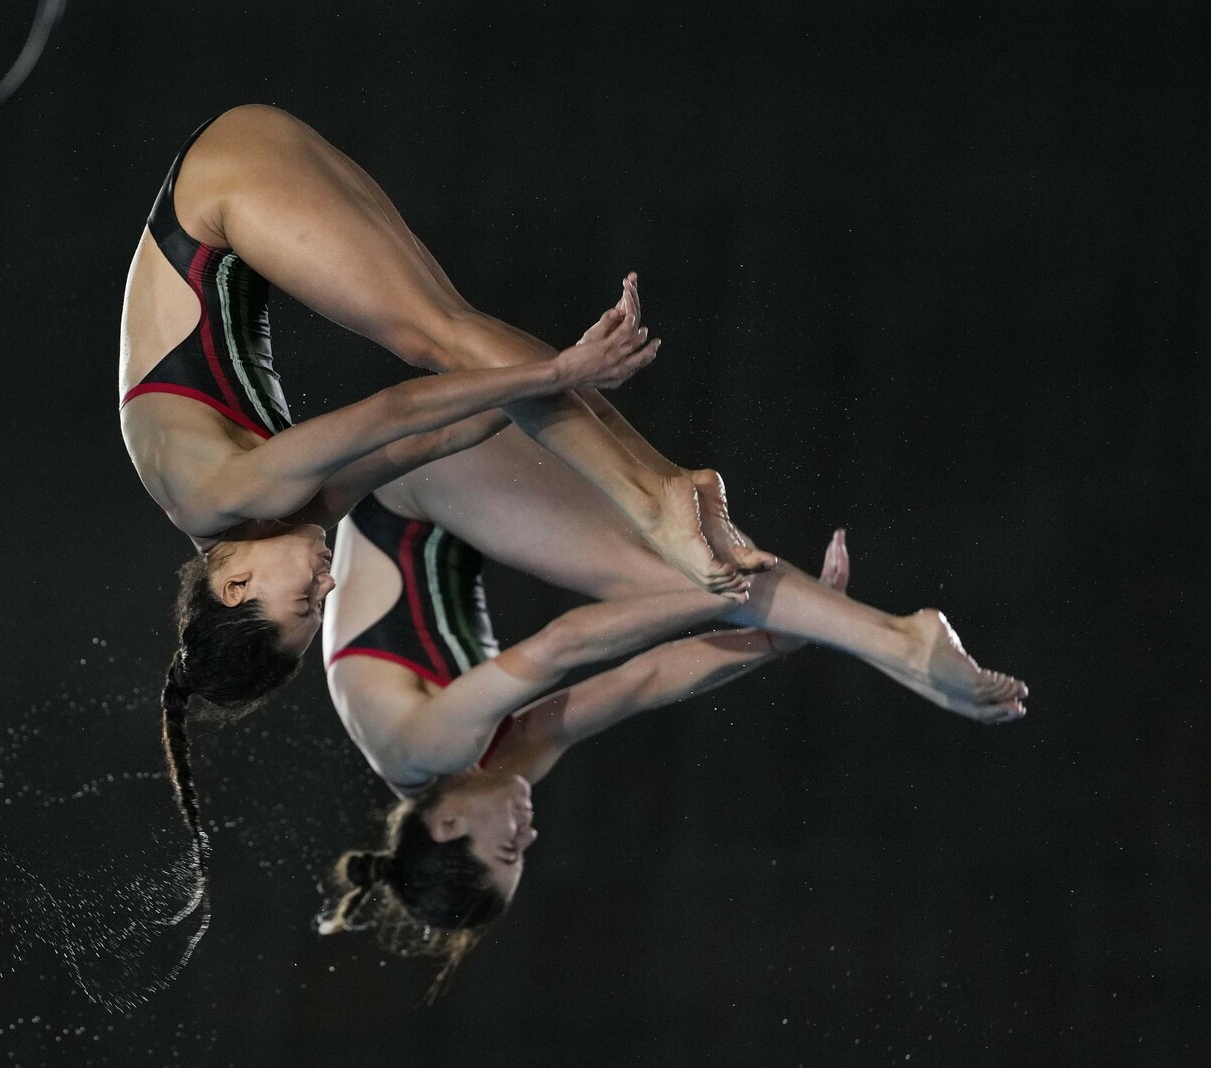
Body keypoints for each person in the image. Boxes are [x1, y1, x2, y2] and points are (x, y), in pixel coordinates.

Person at [122, 107, 777, 849]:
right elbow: (435, 436)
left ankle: (659, 497)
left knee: (432, 335)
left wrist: (556, 372)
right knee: (460, 341)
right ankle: (667, 488)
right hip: (241, 175)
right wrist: (540, 388)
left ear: (233, 586)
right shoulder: (282, 516)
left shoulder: (225, 497)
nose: (328, 586)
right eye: (321, 605)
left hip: (215, 195)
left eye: (304, 599)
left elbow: (394, 408)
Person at [315, 442, 1024, 984]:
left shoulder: (419, 749)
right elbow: (642, 680)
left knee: (674, 573)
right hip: (451, 499)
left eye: (507, 847)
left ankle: (897, 641)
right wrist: (768, 642)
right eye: (523, 855)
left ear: (445, 826)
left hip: (409, 483)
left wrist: (715, 598)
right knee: (690, 553)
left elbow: (566, 642)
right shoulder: (491, 773)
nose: (528, 834)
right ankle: (871, 634)